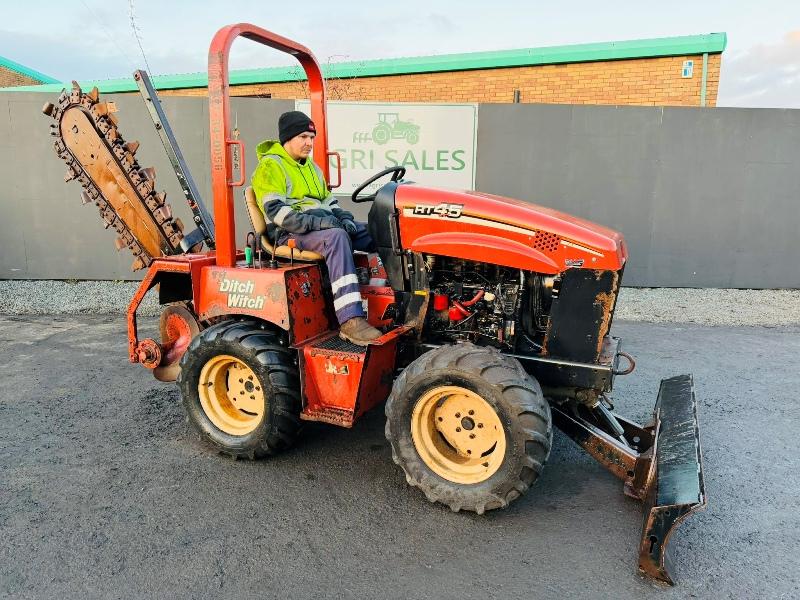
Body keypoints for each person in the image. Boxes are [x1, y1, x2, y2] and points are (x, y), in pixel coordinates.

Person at [251, 110, 382, 345]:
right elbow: (277, 213)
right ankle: (350, 319)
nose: (309, 143)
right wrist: (317, 222)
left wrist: (345, 217)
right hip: (290, 232)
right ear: (287, 138)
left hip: (318, 227)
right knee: (337, 238)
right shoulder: (271, 167)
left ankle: (402, 299)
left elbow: (329, 202)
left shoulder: (311, 168)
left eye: (311, 138)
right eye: (303, 137)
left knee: (378, 231)